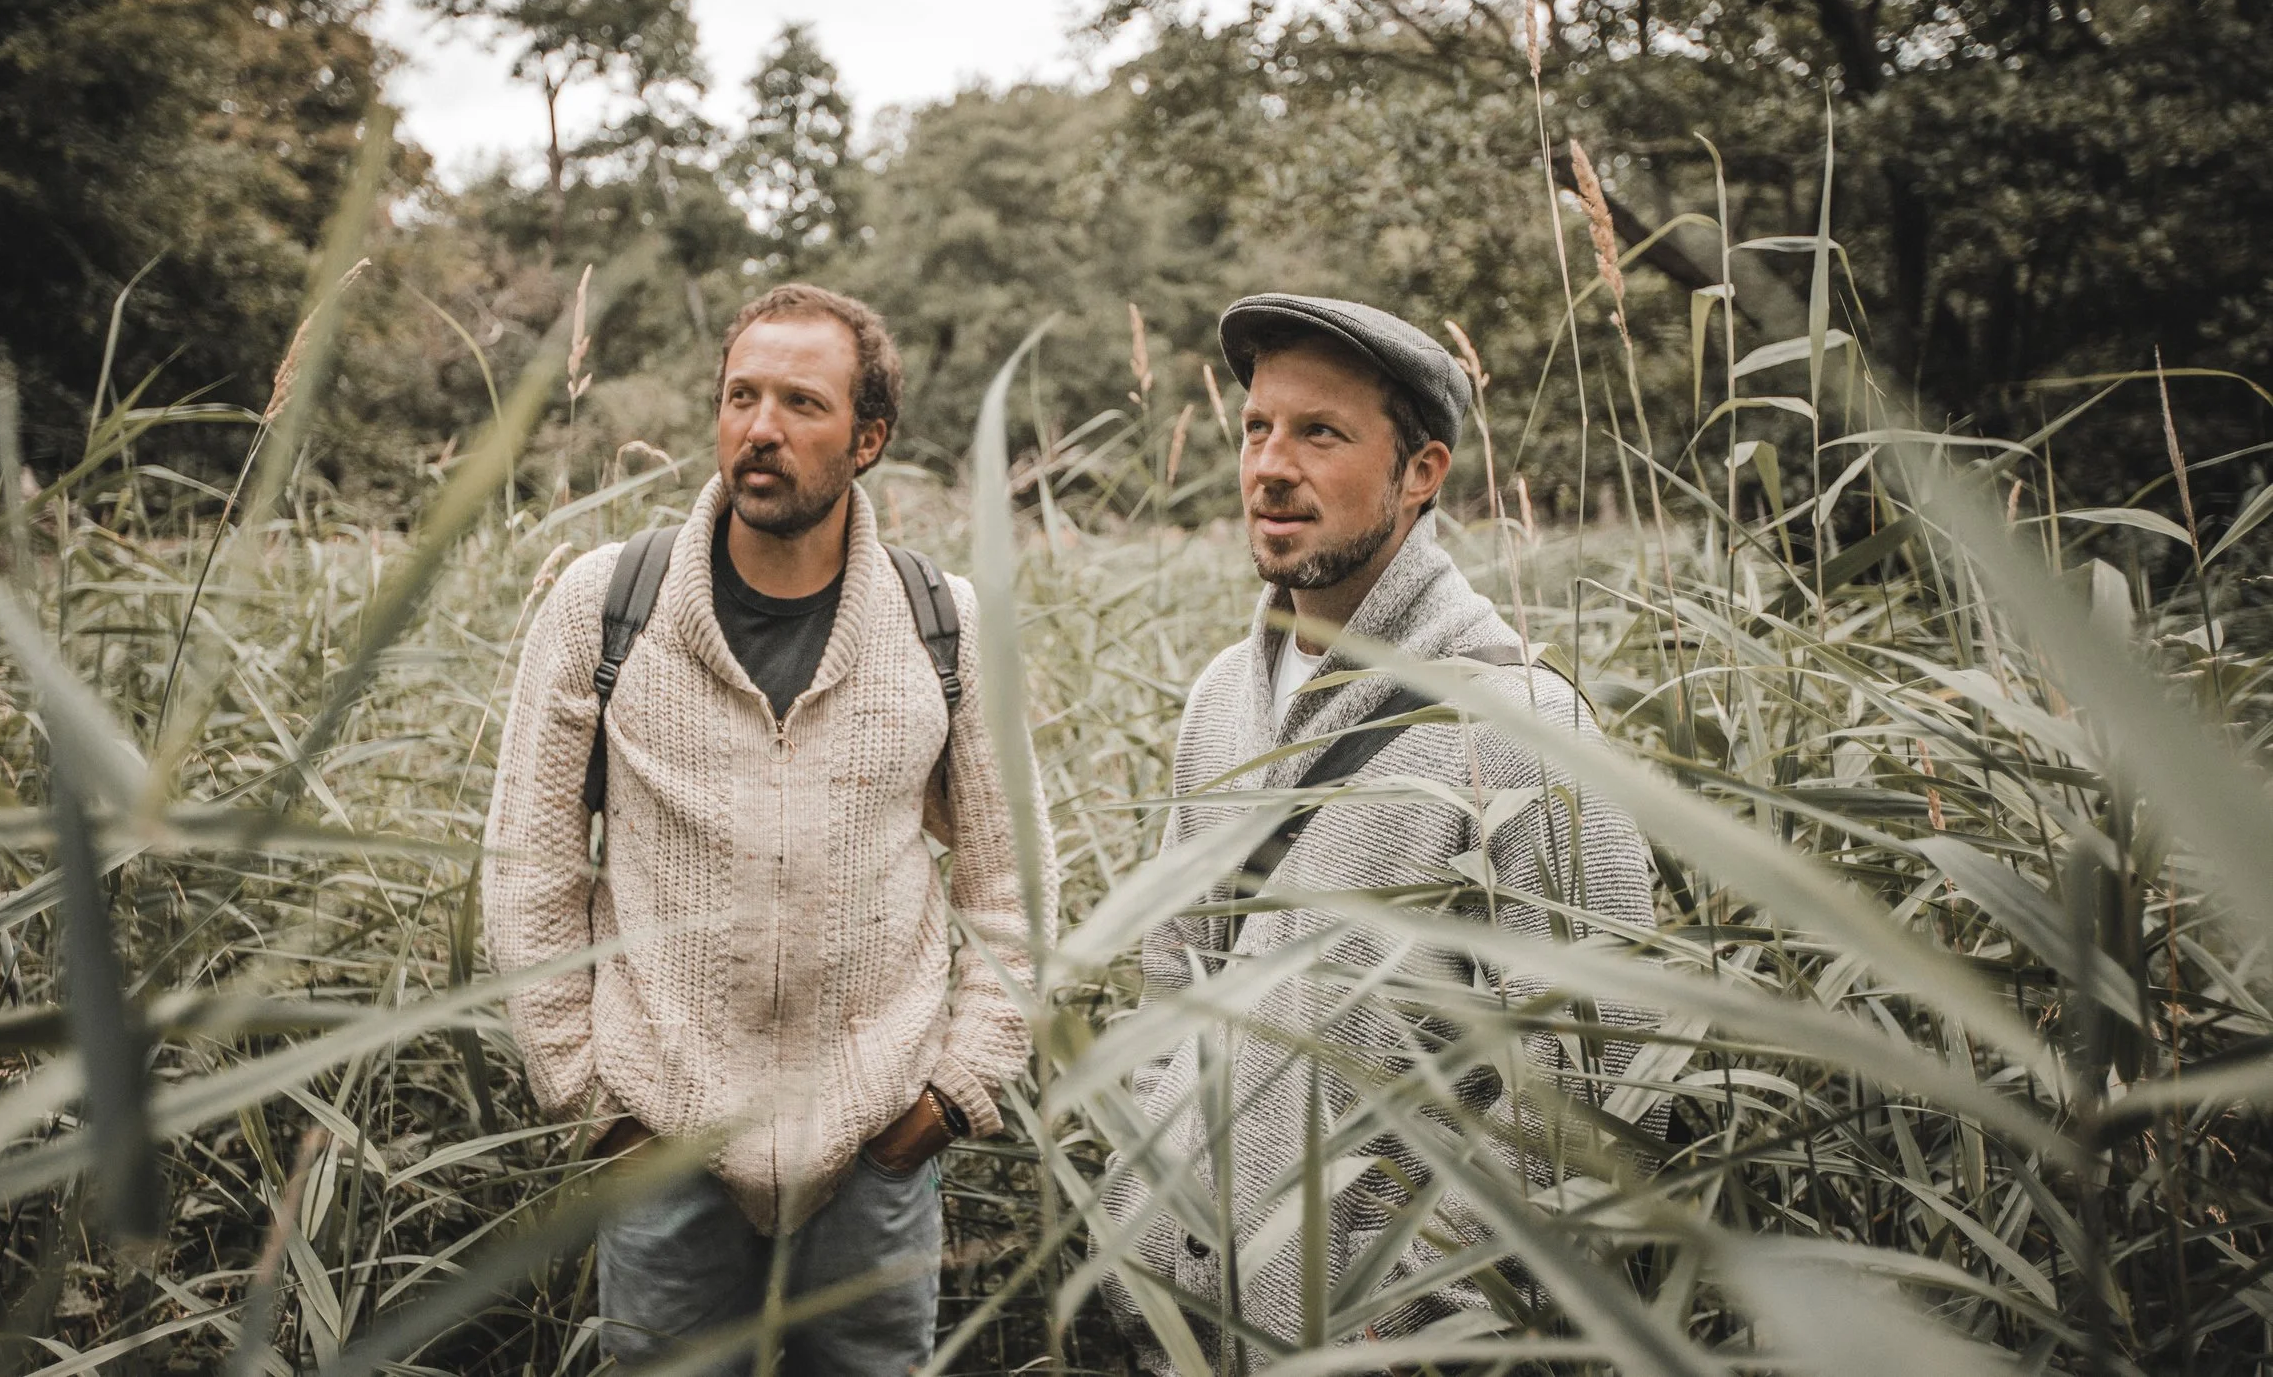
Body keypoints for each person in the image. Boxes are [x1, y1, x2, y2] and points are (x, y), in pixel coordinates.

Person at [482, 284, 1053, 1376]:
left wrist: (953, 1089)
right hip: (663, 1148)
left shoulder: (942, 623)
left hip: (877, 1153)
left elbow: (1011, 876)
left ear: (867, 438)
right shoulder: (609, 607)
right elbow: (529, 870)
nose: (760, 428)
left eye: (800, 402)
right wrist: (594, 1105)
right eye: (741, 396)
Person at [1099, 294, 1658, 1369]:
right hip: (1184, 1325)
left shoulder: (1521, 727)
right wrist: (1143, 1199)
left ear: (1421, 472)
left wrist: (1395, 1307)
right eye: (1256, 427)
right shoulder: (1221, 698)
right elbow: (1171, 977)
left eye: (1321, 432)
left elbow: (1600, 1083)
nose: (1268, 464)